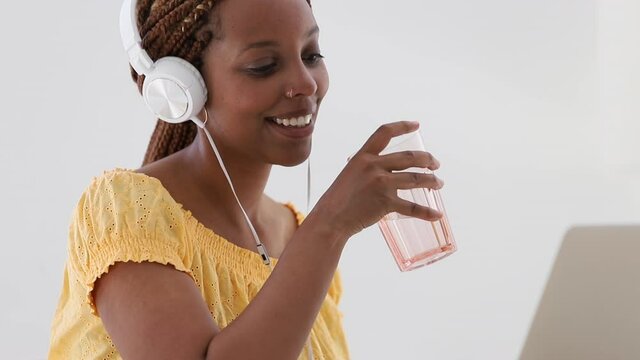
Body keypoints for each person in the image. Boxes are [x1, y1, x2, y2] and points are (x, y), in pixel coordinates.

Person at [48, 0, 445, 358]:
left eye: (311, 54)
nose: (306, 83)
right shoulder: (122, 214)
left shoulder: (295, 237)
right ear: (186, 88)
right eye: (264, 66)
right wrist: (330, 225)